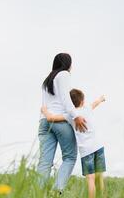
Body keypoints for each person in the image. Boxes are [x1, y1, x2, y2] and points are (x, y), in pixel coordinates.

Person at [41, 89, 106, 198]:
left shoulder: (70, 115)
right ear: (82, 101)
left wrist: (44, 110)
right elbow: (95, 103)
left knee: (91, 179)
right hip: (98, 147)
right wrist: (101, 98)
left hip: (86, 151)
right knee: (100, 177)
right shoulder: (87, 109)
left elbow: (51, 118)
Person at [37, 53, 87, 193]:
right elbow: (66, 99)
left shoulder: (47, 80)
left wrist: (46, 115)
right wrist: (76, 116)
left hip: (44, 121)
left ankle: (38, 193)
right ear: (67, 63)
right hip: (60, 120)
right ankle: (56, 192)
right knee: (70, 157)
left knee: (45, 161)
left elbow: (44, 105)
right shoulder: (64, 74)